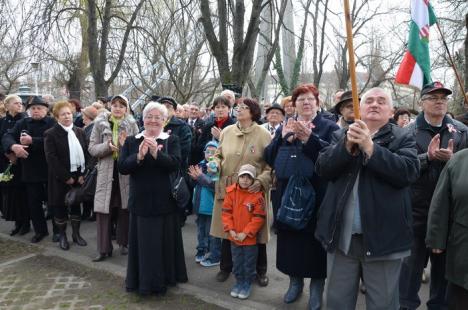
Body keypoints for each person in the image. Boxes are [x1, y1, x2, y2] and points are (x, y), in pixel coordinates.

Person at [315, 87, 420, 309]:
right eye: (369, 101)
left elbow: (408, 172)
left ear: (391, 111)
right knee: (336, 301)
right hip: (341, 238)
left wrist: (370, 147)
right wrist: (346, 147)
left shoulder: (404, 136)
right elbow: (323, 169)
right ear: (359, 109)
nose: (374, 104)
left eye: (381, 101)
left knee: (382, 303)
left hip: (384, 239)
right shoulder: (340, 135)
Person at [264, 83, 339, 309]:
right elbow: (269, 157)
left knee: (315, 245)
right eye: (300, 99)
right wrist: (282, 138)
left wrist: (309, 139)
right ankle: (294, 283)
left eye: (310, 99)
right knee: (291, 244)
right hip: (287, 195)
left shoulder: (328, 126)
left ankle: (317, 288)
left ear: (317, 102)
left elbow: (334, 157)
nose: (306, 102)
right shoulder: (285, 125)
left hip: (317, 196)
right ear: (293, 104)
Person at [399, 82, 468, 310]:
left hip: (448, 218)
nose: (439, 101)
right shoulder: (407, 131)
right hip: (416, 214)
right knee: (409, 273)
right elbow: (400, 169)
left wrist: (454, 160)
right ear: (422, 102)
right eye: (433, 97)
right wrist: (426, 158)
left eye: (443, 98)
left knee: (442, 276)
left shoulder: (461, 131)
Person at [118, 101, 188, 295]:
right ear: (143, 119)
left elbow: (175, 164)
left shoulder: (170, 140)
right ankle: (144, 283)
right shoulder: (132, 140)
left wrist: (156, 153)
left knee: (163, 245)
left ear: (165, 121)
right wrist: (139, 157)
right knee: (145, 245)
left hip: (165, 201)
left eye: (158, 117)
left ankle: (164, 280)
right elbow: (123, 167)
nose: (153, 120)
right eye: (150, 116)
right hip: (140, 202)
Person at [210, 98, 272, 287]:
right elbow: (218, 154)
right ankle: (225, 267)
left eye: (244, 107)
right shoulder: (227, 131)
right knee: (228, 228)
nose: (239, 110)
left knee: (256, 233)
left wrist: (261, 180)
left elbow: (271, 164)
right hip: (230, 190)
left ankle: (260, 271)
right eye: (238, 107)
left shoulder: (264, 134)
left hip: (253, 191)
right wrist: (215, 163)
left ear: (253, 111)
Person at [88, 94, 139, 261]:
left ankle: (124, 243)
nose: (118, 108)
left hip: (124, 172)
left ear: (127, 109)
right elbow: (92, 148)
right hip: (105, 172)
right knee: (103, 210)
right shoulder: (99, 124)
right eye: (115, 105)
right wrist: (107, 147)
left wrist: (125, 147)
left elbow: (138, 150)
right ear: (110, 106)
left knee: (125, 208)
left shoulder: (132, 124)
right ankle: (103, 249)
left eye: (122, 105)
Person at [2, 96, 56, 243]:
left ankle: (58, 231)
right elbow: (7, 136)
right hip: (30, 171)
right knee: (34, 204)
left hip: (50, 170)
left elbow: (56, 141)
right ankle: (40, 231)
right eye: (33, 108)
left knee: (53, 203)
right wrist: (14, 146)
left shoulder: (52, 122)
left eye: (39, 108)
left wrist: (33, 141)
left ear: (46, 110)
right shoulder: (23, 122)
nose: (36, 111)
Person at [426, 148, 468, 310]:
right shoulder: (459, 160)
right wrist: (436, 239)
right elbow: (441, 203)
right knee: (460, 299)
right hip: (462, 249)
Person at [44, 101, 88, 250]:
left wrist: (83, 174)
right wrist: (65, 177)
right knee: (59, 208)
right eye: (63, 114)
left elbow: (87, 154)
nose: (67, 116)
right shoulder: (50, 134)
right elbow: (51, 158)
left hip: (78, 176)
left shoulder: (80, 132)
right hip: (59, 177)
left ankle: (76, 234)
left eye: (69, 113)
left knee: (76, 205)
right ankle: (62, 236)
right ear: (57, 117)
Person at [222, 164, 266, 300]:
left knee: (249, 263)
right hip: (234, 237)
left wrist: (245, 233)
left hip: (249, 239)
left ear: (253, 180)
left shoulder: (258, 196)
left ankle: (247, 284)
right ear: (238, 177)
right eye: (242, 176)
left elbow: (259, 218)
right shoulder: (230, 193)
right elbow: (226, 213)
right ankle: (239, 282)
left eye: (249, 177)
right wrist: (231, 230)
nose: (245, 180)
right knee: (237, 262)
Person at [188, 141, 221, 267]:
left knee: (212, 233)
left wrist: (200, 177)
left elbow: (214, 186)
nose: (210, 154)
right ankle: (201, 249)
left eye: (214, 152)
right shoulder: (200, 165)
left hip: (212, 207)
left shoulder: (216, 167)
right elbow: (193, 184)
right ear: (204, 153)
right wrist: (193, 178)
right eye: (208, 151)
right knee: (201, 231)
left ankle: (215, 255)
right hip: (199, 205)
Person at [0, 95, 28, 236]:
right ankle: (17, 221)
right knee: (11, 193)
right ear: (7, 105)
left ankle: (26, 223)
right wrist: (7, 153)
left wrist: (15, 154)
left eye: (20, 103)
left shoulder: (24, 120)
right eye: (16, 103)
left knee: (22, 193)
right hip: (6, 162)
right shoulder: (3, 121)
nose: (19, 105)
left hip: (22, 162)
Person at [81, 105, 99, 221]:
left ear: (88, 117)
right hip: (89, 163)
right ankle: (89, 212)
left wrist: (89, 166)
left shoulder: (92, 130)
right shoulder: (87, 128)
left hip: (90, 164)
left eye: (84, 115)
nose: (82, 117)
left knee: (91, 189)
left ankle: (93, 213)